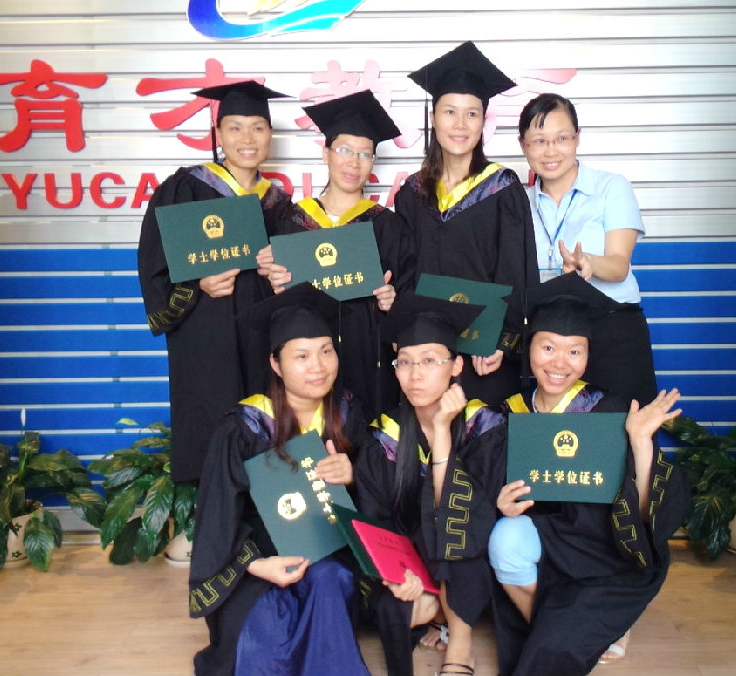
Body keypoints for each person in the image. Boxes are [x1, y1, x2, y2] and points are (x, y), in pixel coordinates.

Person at [488, 272, 689, 676]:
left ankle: (590, 626)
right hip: (548, 540)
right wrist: (501, 504)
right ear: (529, 348)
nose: (559, 363)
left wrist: (640, 442)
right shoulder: (512, 413)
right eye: (548, 347)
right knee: (503, 539)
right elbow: (489, 485)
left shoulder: (609, 410)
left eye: (574, 351)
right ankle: (572, 628)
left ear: (588, 355)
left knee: (552, 649)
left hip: (605, 547)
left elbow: (649, 512)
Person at [188, 283, 371, 676]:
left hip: (325, 553)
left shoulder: (348, 414)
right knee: (267, 635)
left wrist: (353, 476)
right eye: (301, 356)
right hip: (254, 560)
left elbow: (375, 508)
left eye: (326, 351)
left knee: (331, 582)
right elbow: (217, 515)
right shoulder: (244, 426)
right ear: (275, 363)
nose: (318, 366)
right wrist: (256, 564)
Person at [137, 80, 293, 482]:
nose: (247, 138)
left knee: (266, 432)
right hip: (206, 336)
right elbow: (154, 263)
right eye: (235, 127)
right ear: (218, 133)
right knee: (212, 434)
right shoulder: (185, 188)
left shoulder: (279, 204)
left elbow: (297, 280)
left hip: (262, 340)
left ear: (270, 136)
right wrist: (197, 285)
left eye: (258, 127)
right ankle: (214, 517)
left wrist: (281, 273)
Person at [353, 294, 507, 676]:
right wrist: (399, 573)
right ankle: (437, 607)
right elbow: (376, 519)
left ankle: (460, 643)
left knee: (449, 528)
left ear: (456, 366)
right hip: (414, 562)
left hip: (471, 557)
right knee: (388, 609)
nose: (415, 375)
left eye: (429, 361)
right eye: (405, 362)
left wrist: (441, 433)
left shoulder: (484, 426)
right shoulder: (383, 437)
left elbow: (470, 518)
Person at [396, 41, 540, 408]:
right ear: (433, 117)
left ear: (483, 120)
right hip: (427, 355)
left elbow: (517, 274)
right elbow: (405, 275)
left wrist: (503, 342)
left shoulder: (502, 188)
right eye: (450, 112)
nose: (460, 125)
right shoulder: (412, 194)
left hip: (485, 355)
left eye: (471, 114)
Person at [262, 89, 416, 421]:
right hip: (306, 366)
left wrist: (392, 303)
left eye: (365, 154)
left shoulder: (388, 227)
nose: (353, 162)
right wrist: (274, 285)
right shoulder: (290, 221)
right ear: (326, 154)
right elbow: (268, 308)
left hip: (368, 364)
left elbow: (409, 306)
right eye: (344, 150)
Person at [519, 92, 657, 407]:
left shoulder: (611, 188)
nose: (551, 150)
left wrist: (588, 262)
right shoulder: (518, 203)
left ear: (577, 138)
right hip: (550, 339)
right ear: (523, 145)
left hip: (611, 331)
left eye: (562, 138)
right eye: (539, 141)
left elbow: (619, 265)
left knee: (623, 428)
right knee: (553, 432)